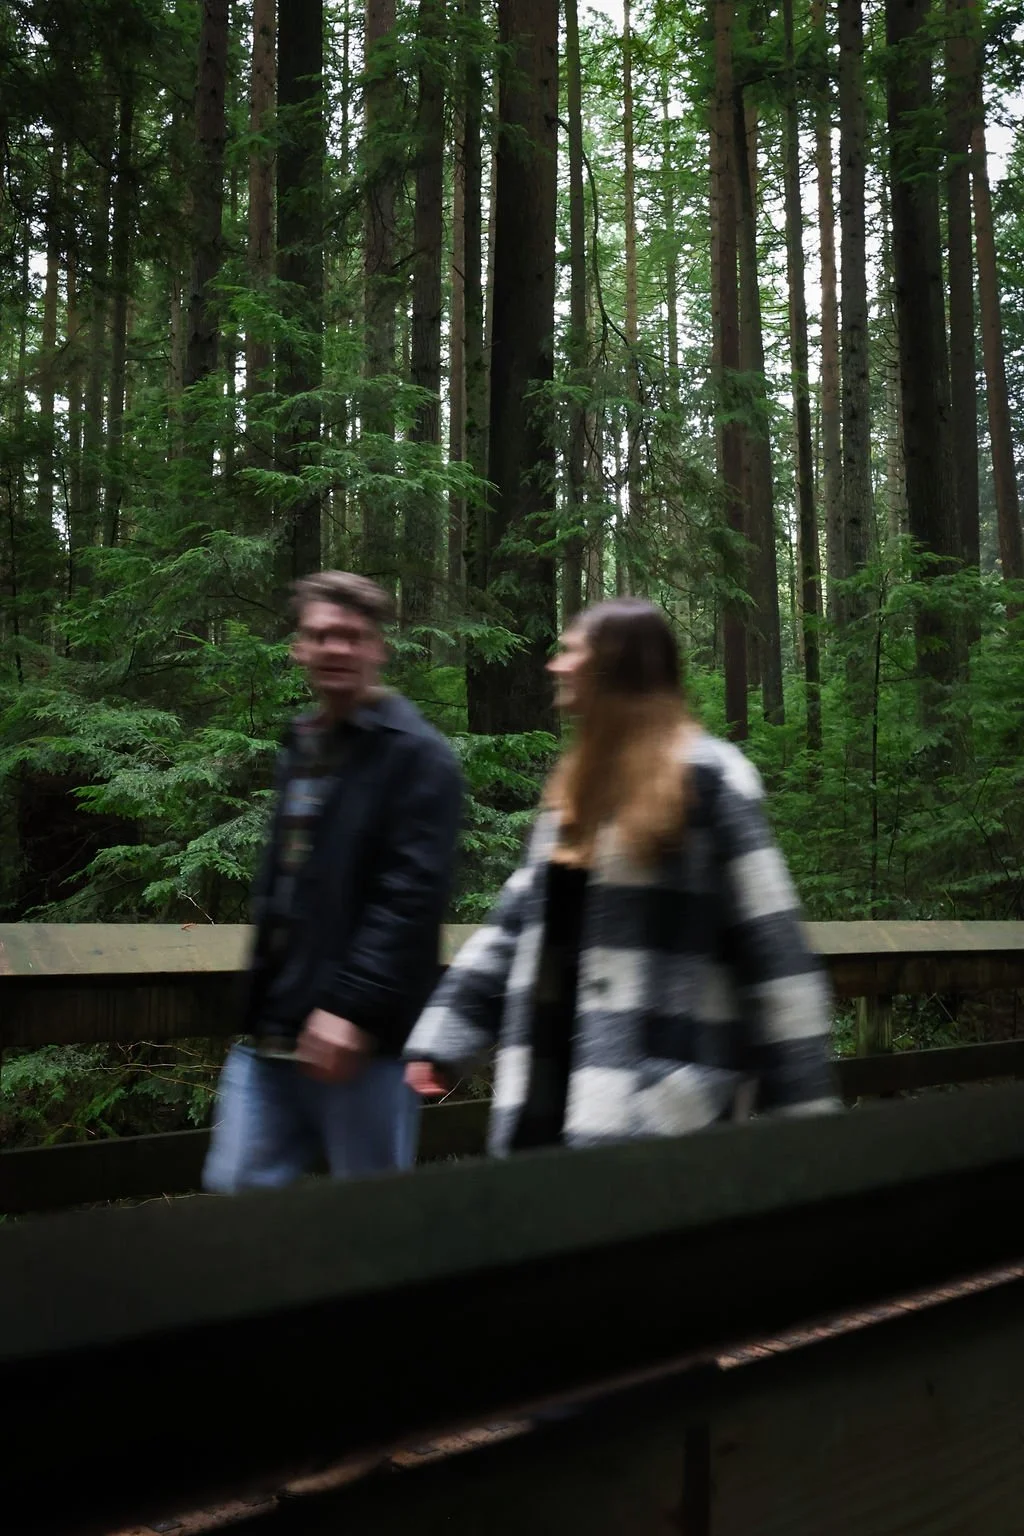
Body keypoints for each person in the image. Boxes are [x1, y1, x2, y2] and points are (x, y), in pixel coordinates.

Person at [403, 598, 834, 1153]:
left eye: (570, 652)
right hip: (547, 1098)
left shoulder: (711, 778)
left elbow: (776, 956)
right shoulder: (575, 789)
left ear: (613, 667)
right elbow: (514, 926)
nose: (554, 666)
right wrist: (442, 1038)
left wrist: (812, 1131)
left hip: (660, 1119)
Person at [203, 571, 463, 1192]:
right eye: (320, 636)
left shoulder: (418, 757)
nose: (335, 649)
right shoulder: (301, 745)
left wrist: (350, 1008)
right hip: (274, 1035)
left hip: (364, 1046)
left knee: (371, 1228)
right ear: (299, 647)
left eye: (351, 636)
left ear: (378, 647)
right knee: (234, 1202)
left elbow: (411, 896)